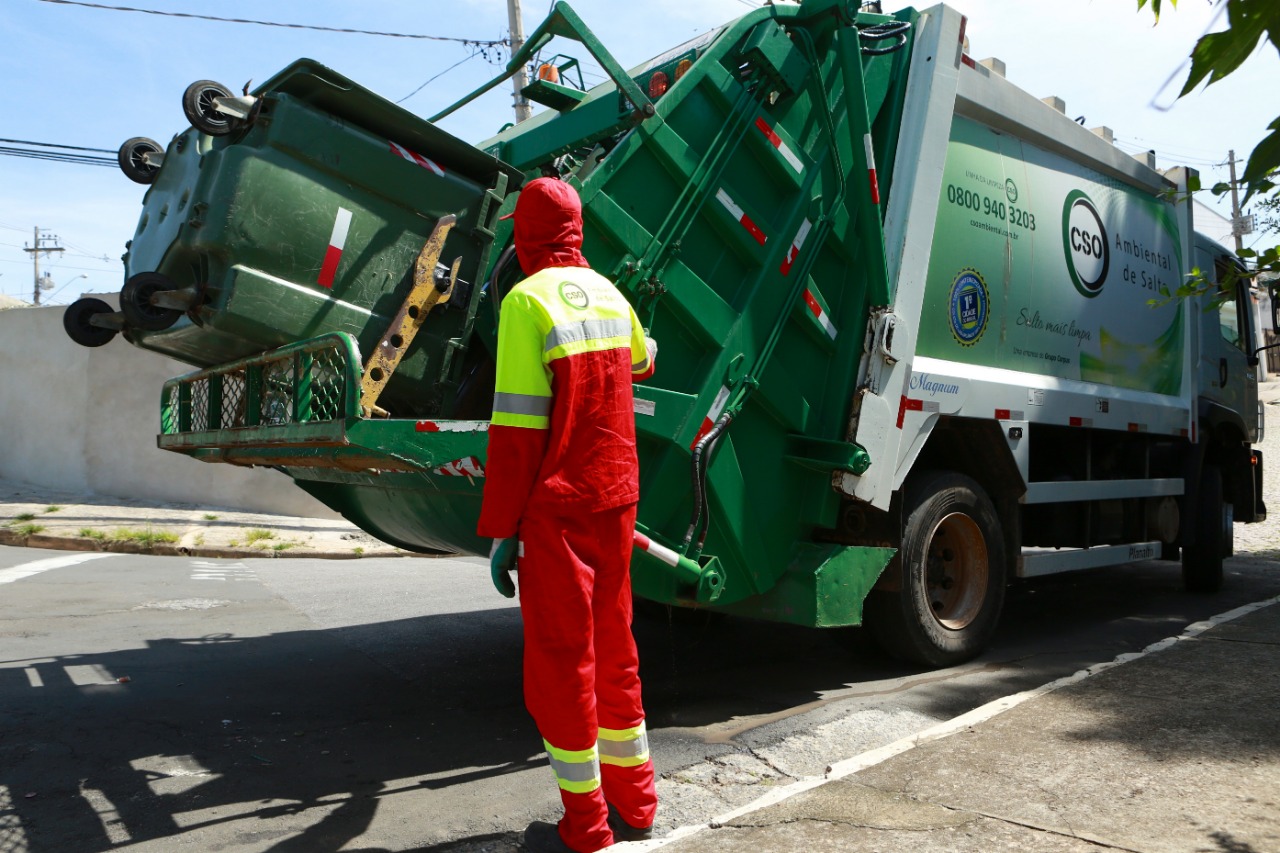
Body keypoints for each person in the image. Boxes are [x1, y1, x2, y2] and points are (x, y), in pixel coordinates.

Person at [477, 177, 659, 853]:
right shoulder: (611, 294)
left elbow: (518, 430)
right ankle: (637, 803)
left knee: (563, 666)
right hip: (617, 501)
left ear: (523, 236)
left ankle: (585, 828)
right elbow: (643, 358)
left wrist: (502, 532)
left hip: (559, 512)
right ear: (576, 231)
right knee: (616, 655)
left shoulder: (525, 302)